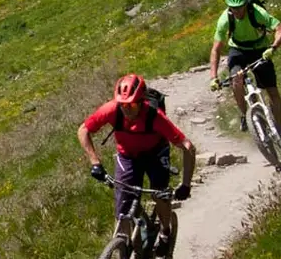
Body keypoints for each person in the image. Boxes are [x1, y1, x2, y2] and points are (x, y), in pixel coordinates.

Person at [77, 73, 195, 243]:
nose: (126, 109)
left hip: (156, 153)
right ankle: (124, 249)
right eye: (122, 104)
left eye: (131, 105)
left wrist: (186, 184)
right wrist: (95, 163)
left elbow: (188, 147)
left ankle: (165, 232)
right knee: (123, 208)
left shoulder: (155, 116)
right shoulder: (111, 109)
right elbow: (83, 130)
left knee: (159, 194)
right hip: (128, 156)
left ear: (141, 102)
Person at [209, 0, 281, 143]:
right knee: (236, 80)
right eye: (233, 8)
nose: (237, 11)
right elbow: (216, 49)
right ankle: (244, 114)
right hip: (238, 50)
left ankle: (280, 130)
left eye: (240, 7)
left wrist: (273, 47)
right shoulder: (225, 19)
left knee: (272, 91)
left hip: (260, 48)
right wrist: (213, 77)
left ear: (246, 3)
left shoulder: (257, 12)